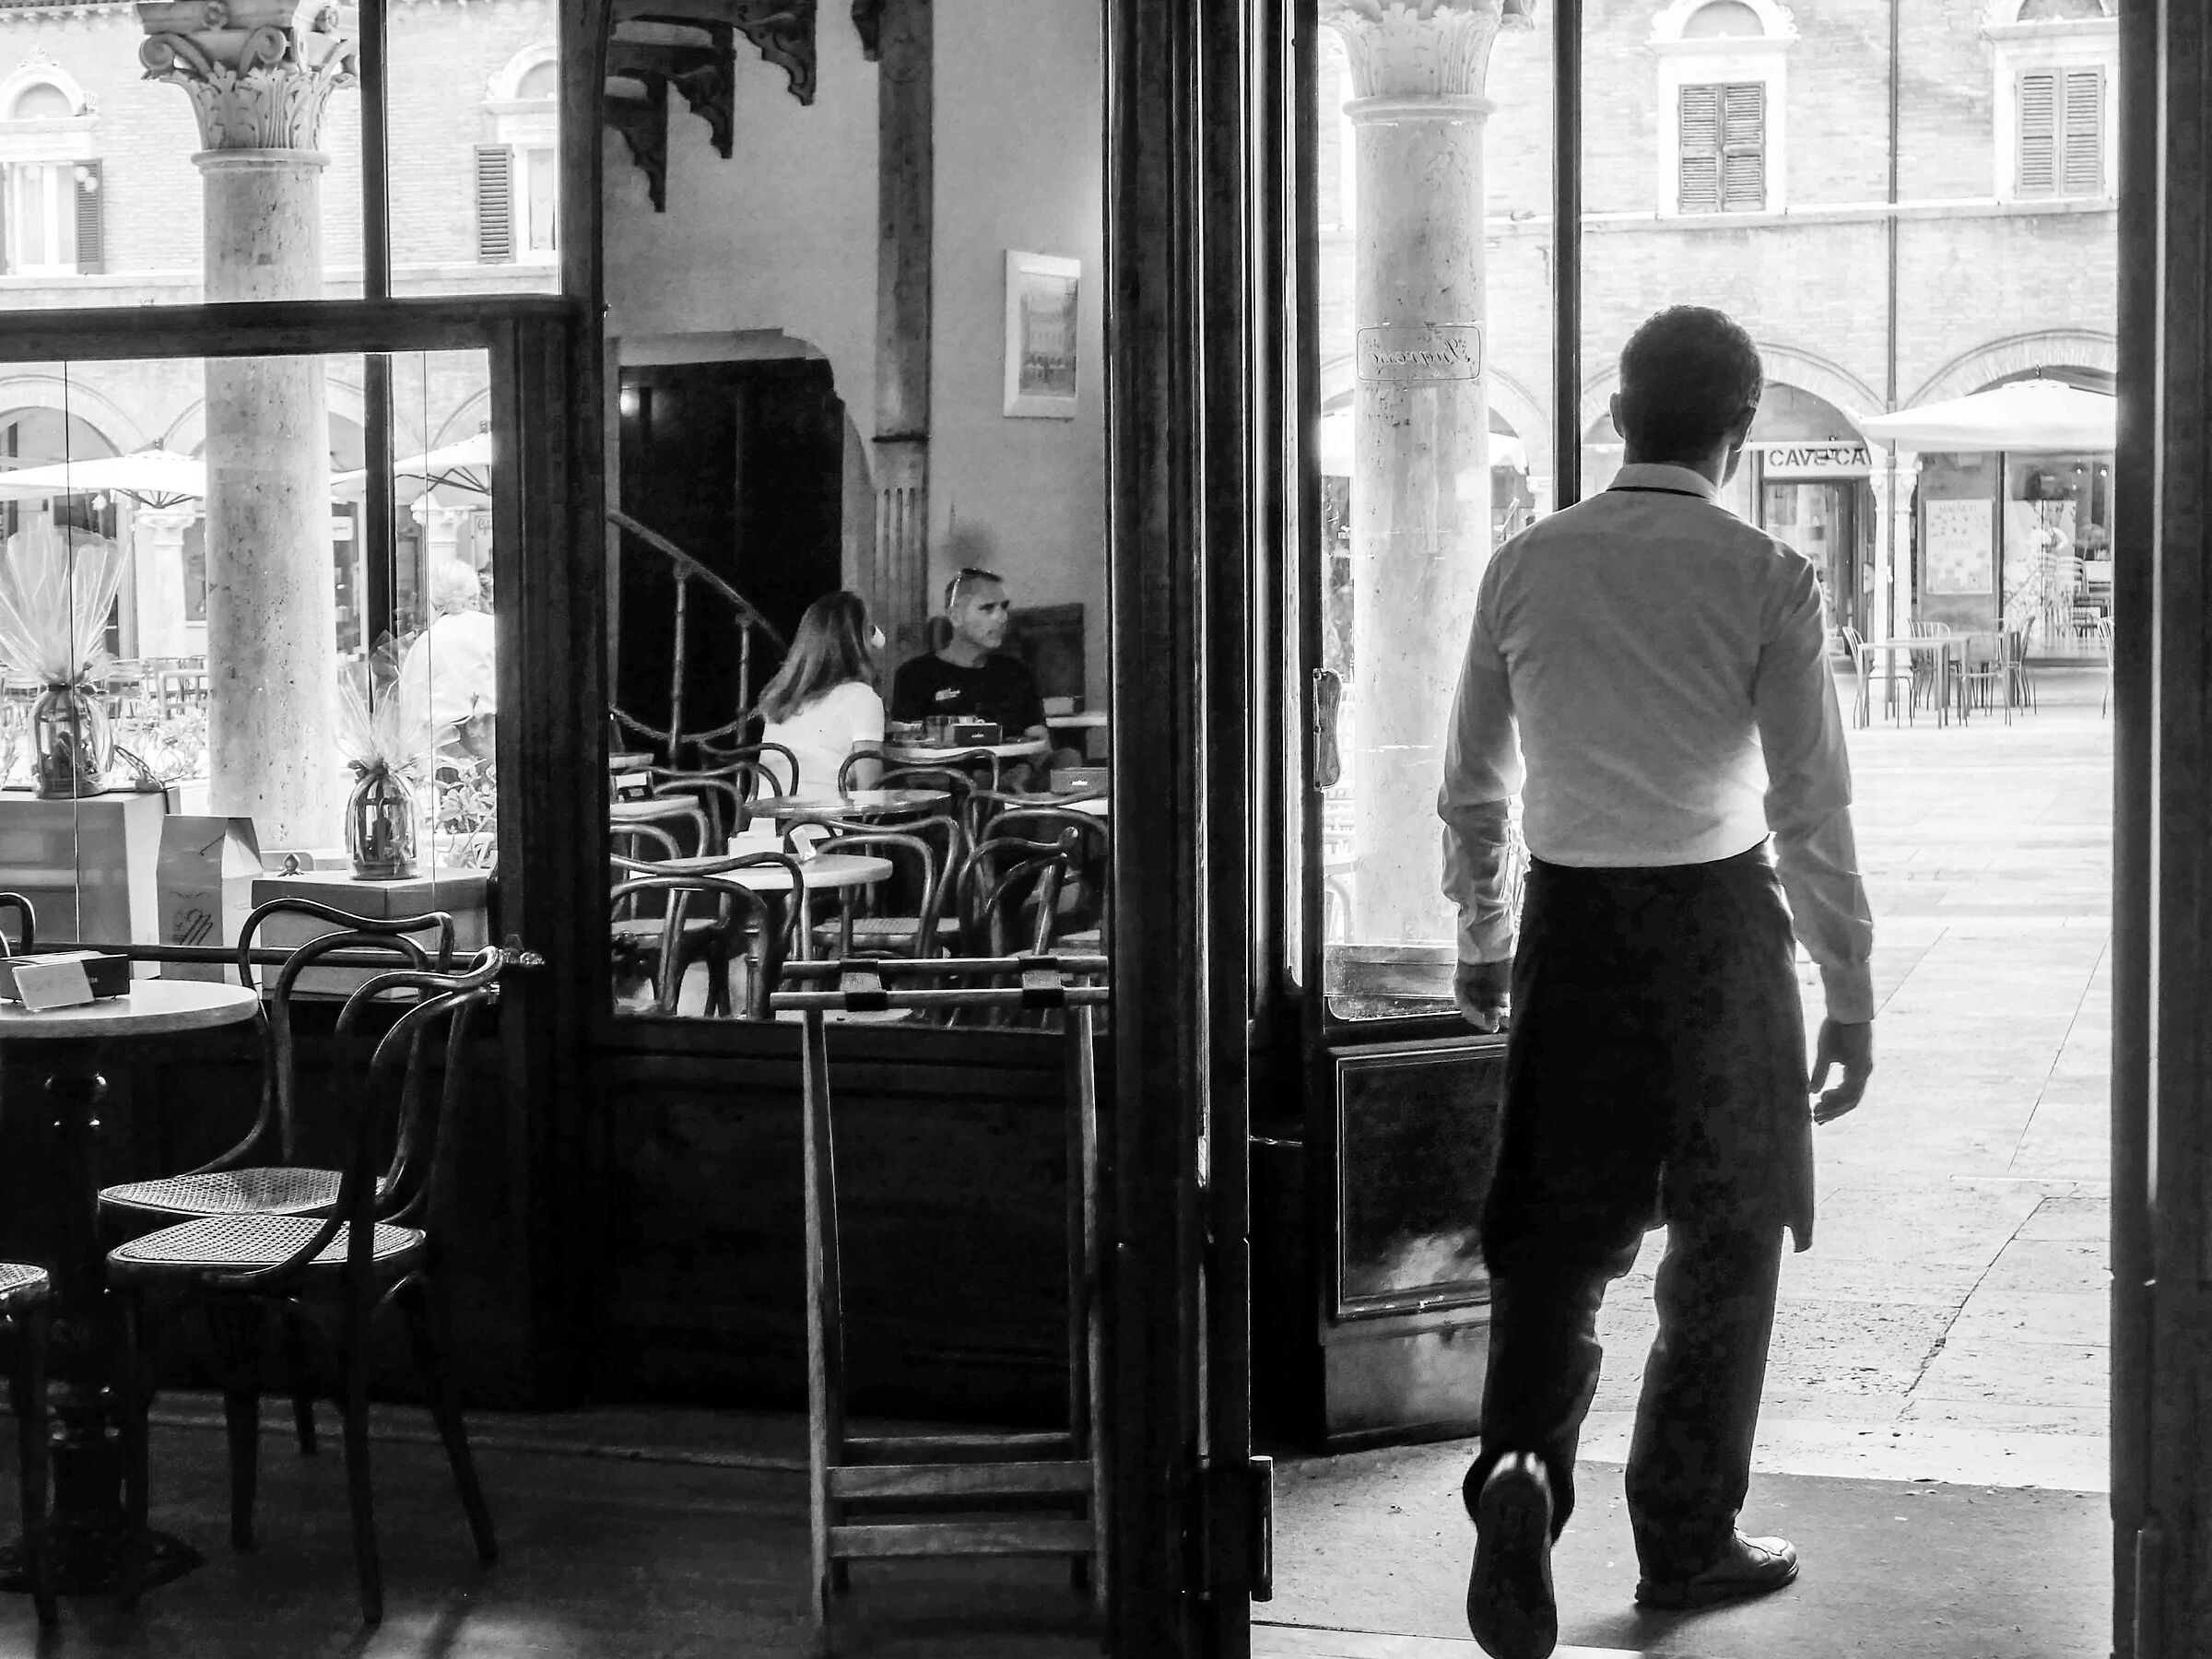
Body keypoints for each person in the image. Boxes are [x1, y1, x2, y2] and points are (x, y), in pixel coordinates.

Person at [1440, 306, 1877, 1659]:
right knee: (1728, 1235)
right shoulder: (1767, 576)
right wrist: (1850, 988)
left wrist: (1484, 936)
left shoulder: (1526, 567)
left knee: (1554, 1243)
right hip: (1720, 935)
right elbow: (1810, 809)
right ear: (1737, 433)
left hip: (1571, 933)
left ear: (1617, 418)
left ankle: (1520, 1473)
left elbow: (1470, 790)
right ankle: (1686, 1539)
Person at [888, 567, 1050, 743]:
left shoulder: (1017, 674)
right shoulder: (915, 676)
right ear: (955, 616)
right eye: (987, 609)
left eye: (1004, 607)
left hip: (1012, 768)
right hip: (942, 769)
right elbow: (906, 750)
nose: (1001, 618)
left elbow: (1040, 746)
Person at [757, 589, 886, 794]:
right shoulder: (862, 699)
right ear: (859, 641)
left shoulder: (780, 698)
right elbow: (871, 796)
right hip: (820, 824)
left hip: (762, 824)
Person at [395, 557, 497, 762]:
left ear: (433, 603)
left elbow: (410, 715)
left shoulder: (426, 643)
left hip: (444, 760)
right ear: (476, 595)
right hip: (496, 750)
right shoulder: (497, 631)